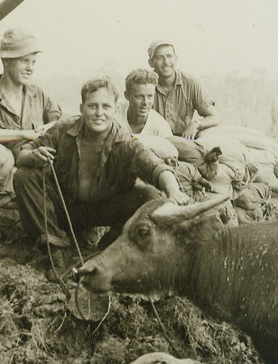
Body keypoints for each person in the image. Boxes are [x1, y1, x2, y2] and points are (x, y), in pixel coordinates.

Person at [14, 77, 191, 261]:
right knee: (23, 176)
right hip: (66, 208)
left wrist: (174, 192)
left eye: (106, 107)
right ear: (82, 108)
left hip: (105, 210)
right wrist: (33, 156)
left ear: (115, 109)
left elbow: (157, 168)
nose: (99, 113)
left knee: (149, 195)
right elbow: (22, 155)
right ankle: (55, 249)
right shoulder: (63, 129)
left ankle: (111, 245)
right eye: (92, 106)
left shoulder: (126, 142)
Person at [146, 40, 217, 138]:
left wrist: (195, 124)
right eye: (159, 57)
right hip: (155, 141)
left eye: (169, 56)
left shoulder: (191, 83)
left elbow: (213, 117)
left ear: (176, 58)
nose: (166, 62)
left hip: (184, 140)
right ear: (151, 63)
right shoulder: (146, 85)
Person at [118, 68, 174, 139]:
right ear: (127, 96)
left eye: (150, 96)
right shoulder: (114, 115)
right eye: (140, 96)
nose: (145, 103)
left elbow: (170, 149)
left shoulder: (161, 126)